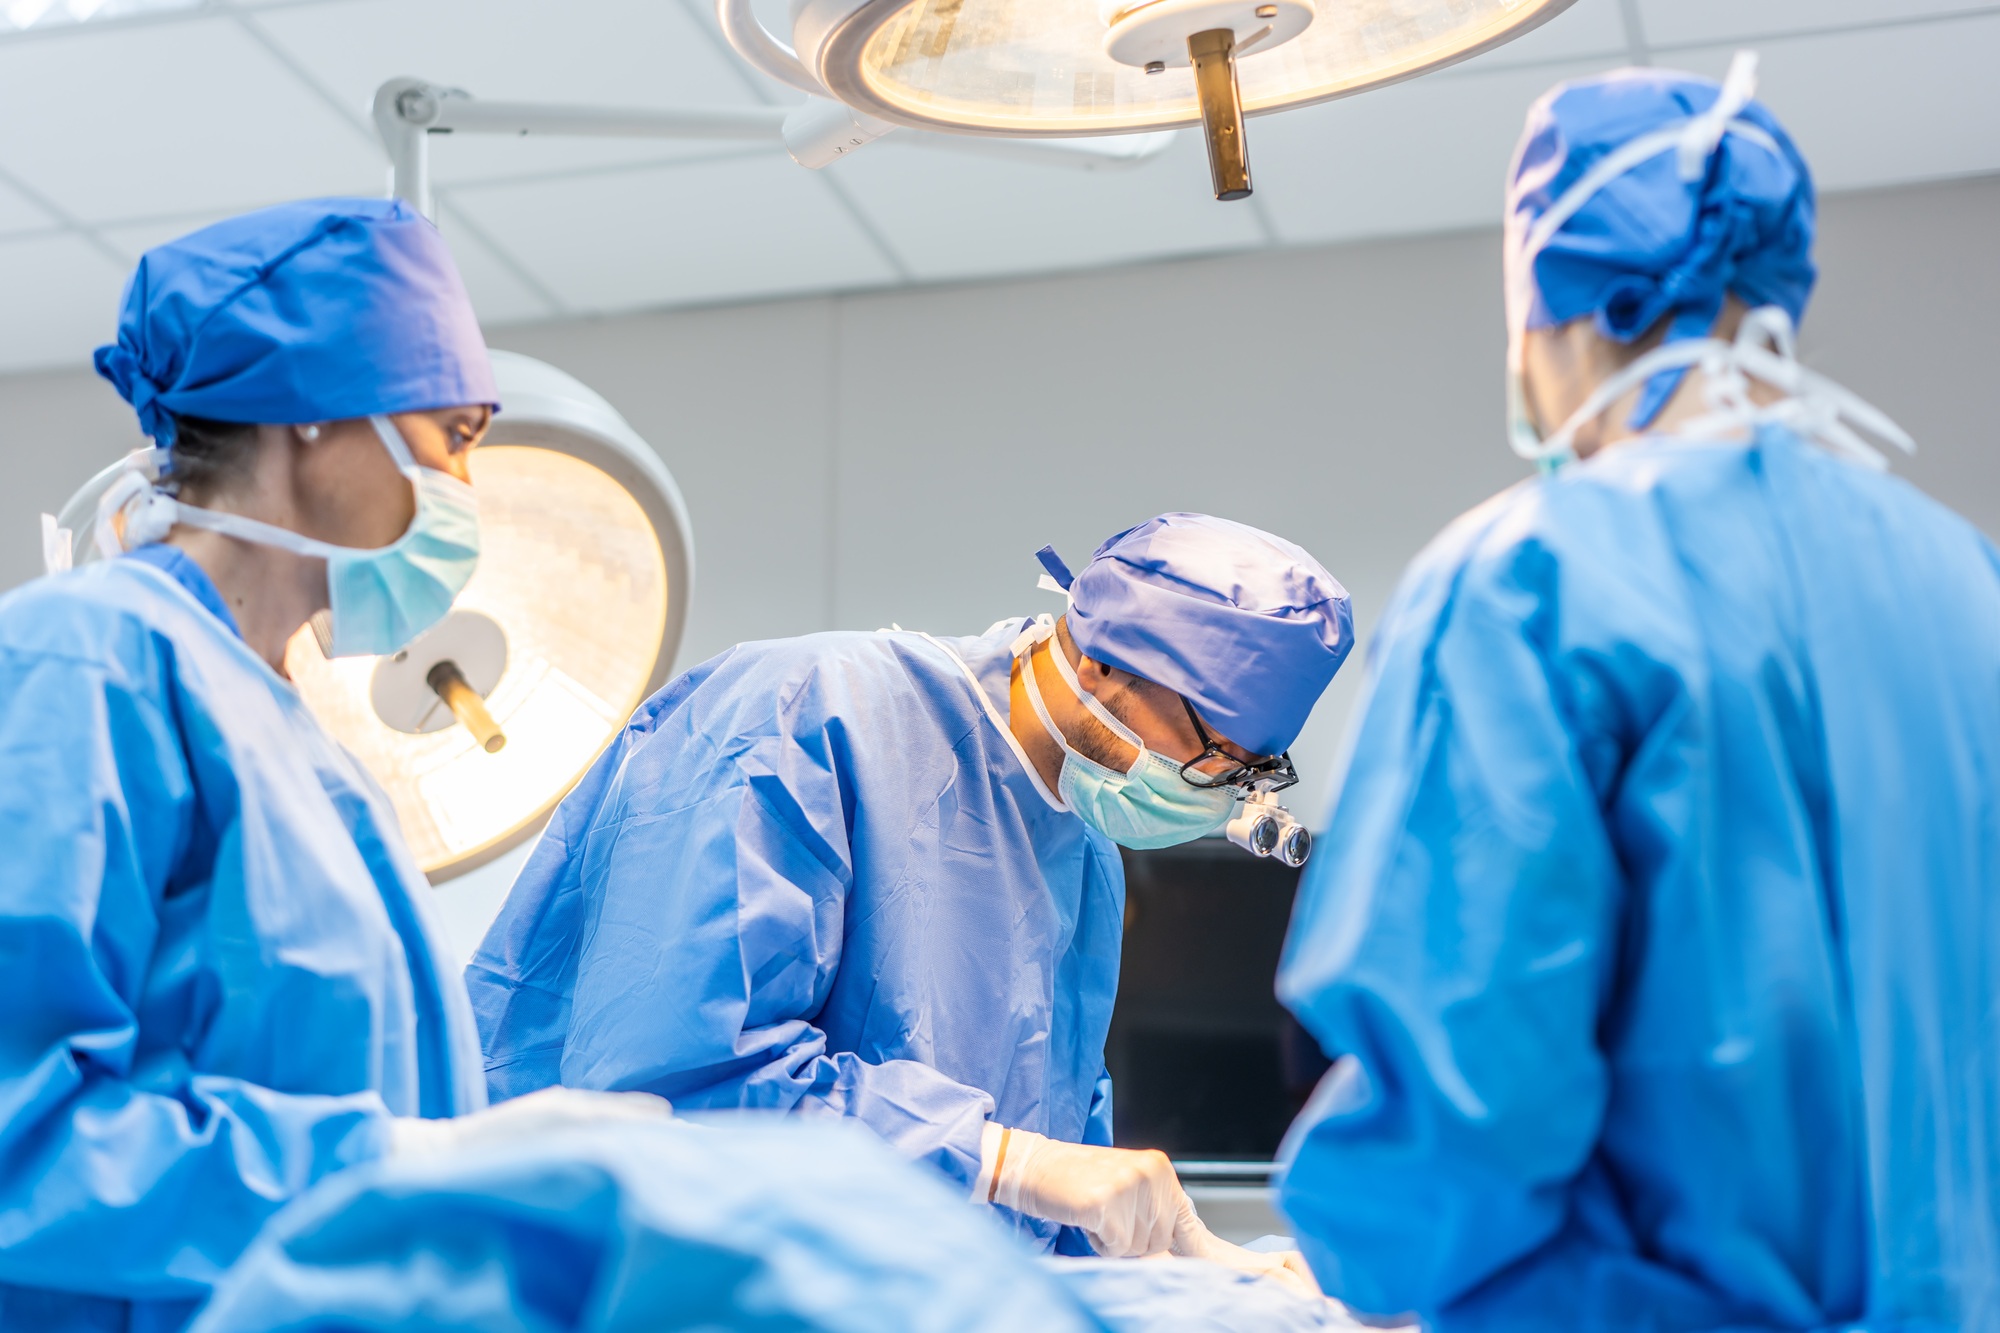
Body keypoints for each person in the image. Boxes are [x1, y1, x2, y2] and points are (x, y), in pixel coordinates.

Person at [1274, 53, 2000, 1331]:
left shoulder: (1529, 582)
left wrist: (1357, 1262)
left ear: (1571, 310)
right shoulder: (1965, 581)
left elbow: (1454, 1122)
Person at [0, 198, 663, 1333]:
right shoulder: (89, 658)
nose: (468, 483)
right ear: (311, 411)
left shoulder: (303, 740)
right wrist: (399, 1165)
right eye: (453, 432)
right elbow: (26, 1143)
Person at [470, 513, 1352, 1272]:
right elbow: (672, 1086)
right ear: (1103, 666)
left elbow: (1059, 1167)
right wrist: (999, 1158)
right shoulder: (797, 715)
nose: (1217, 788)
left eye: (1251, 769)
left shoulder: (1084, 852)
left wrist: (1186, 1268)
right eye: (1214, 748)